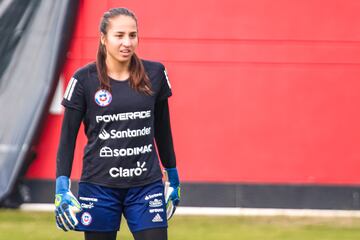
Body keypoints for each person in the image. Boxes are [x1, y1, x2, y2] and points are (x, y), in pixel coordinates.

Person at [54, 7, 180, 240]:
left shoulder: (156, 73)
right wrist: (62, 186)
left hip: (146, 185)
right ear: (103, 38)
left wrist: (172, 175)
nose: (127, 43)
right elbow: (67, 137)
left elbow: (163, 130)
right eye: (119, 35)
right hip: (98, 187)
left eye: (132, 35)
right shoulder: (83, 80)